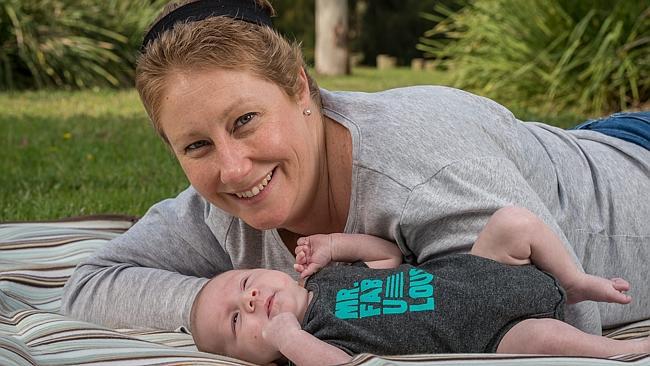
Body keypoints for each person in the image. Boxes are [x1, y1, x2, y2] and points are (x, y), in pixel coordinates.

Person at [61, 0, 650, 338]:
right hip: (572, 147)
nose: (234, 170)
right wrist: (218, 302)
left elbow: (570, 321)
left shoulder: (419, 168)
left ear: (299, 89)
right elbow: (91, 286)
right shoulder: (214, 215)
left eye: (244, 120)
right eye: (196, 146)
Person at [190, 206, 647, 365]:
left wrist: (335, 244)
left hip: (481, 268)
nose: (249, 299)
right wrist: (286, 336)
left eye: (245, 282)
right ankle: (631, 351)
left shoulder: (325, 278)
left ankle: (573, 281)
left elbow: (387, 255)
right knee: (554, 341)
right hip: (495, 336)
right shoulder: (309, 345)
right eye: (236, 320)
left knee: (513, 221)